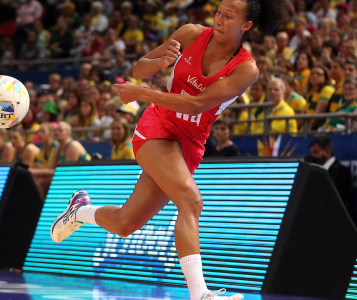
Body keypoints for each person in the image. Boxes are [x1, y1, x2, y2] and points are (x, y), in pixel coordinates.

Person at [50, 1, 284, 299]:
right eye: (218, 12)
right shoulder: (191, 33)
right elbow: (139, 68)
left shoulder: (246, 69)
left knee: (125, 224)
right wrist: (159, 62)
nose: (219, 19)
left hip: (190, 141)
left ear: (246, 25)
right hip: (157, 127)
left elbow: (199, 103)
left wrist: (144, 92)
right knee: (191, 201)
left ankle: (80, 211)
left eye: (229, 16)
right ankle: (200, 294)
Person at [306, 136, 354, 223]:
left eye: (316, 152)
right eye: (312, 153)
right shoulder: (315, 172)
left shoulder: (341, 172)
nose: (313, 157)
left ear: (327, 152)